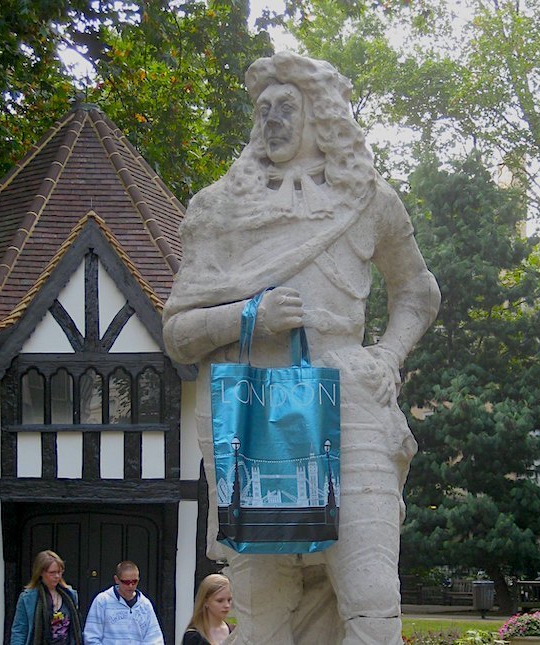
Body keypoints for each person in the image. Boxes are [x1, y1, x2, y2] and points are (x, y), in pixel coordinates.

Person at [163, 51, 440, 644]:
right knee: (262, 602)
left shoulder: (370, 199)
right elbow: (178, 333)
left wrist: (389, 354)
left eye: (287, 106)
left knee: (369, 593)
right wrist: (248, 317)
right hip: (252, 402)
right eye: (262, 109)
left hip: (348, 392)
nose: (273, 120)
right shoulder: (217, 209)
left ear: (321, 115)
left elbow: (418, 291)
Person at [10, 550, 83, 645]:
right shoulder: (28, 598)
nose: (57, 576)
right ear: (41, 572)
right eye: (52, 573)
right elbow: (19, 631)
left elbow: (75, 630)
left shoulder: (70, 595)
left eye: (59, 572)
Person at [83, 560, 164, 644]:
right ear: (116, 580)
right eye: (126, 582)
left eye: (134, 582)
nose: (130, 586)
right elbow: (91, 637)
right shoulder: (102, 601)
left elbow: (155, 639)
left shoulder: (145, 605)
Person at [183, 574, 234, 645]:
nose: (227, 605)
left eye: (229, 600)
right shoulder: (193, 636)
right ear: (205, 601)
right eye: (220, 601)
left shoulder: (234, 632)